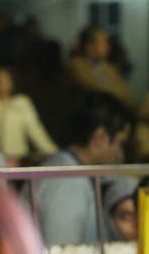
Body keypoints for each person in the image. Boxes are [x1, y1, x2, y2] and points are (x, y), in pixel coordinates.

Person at [28, 91, 131, 246]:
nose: (120, 155)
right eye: (120, 143)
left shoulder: (68, 172)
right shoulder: (67, 184)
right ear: (100, 138)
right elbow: (62, 249)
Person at [67, 25, 135, 110]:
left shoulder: (110, 68)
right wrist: (116, 93)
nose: (108, 47)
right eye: (104, 42)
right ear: (89, 45)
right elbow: (94, 89)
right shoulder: (76, 66)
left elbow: (127, 94)